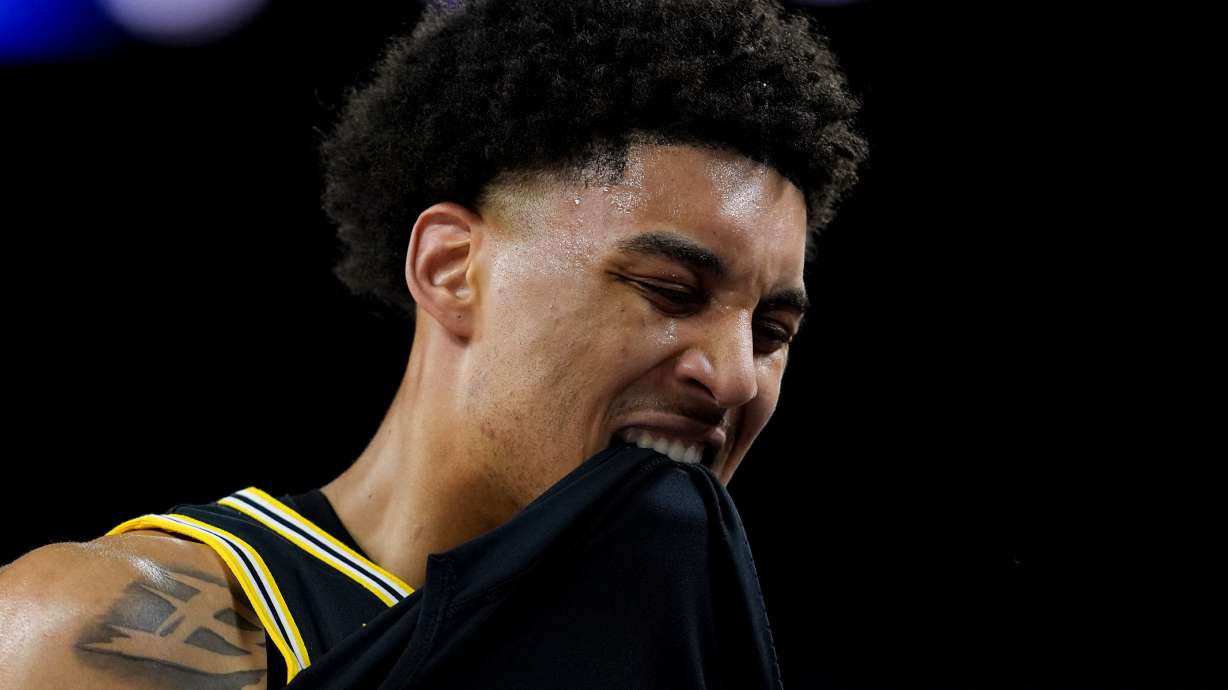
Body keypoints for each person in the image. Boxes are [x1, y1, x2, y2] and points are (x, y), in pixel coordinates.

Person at [0, 0, 868, 687]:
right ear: (453, 270)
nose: (731, 378)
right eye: (668, 291)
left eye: (771, 332)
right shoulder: (106, 636)